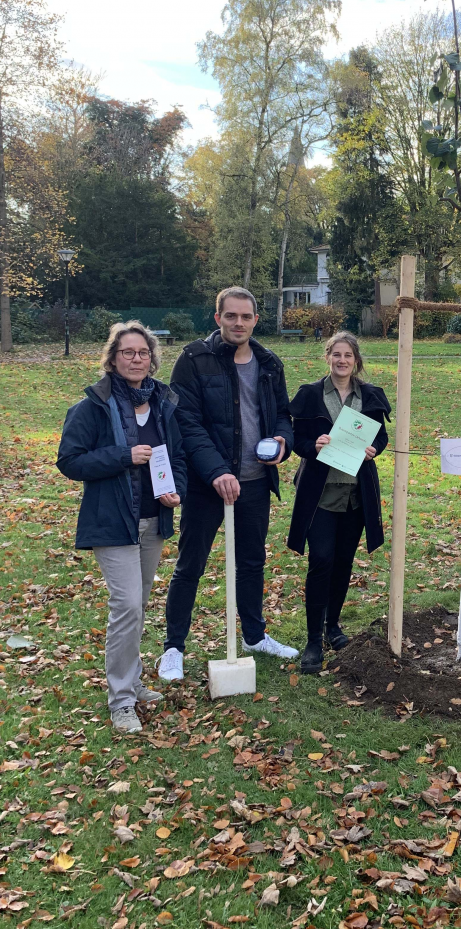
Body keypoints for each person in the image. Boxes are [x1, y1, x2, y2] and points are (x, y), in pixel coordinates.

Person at [158, 287, 296, 681]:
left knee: (251, 563)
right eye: (231, 316)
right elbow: (186, 423)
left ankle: (255, 636)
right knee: (191, 565)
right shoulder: (194, 359)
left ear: (256, 319)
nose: (239, 323)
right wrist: (217, 471)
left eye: (246, 316)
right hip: (208, 485)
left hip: (254, 484)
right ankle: (173, 648)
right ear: (217, 318)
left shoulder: (269, 362)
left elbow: (283, 414)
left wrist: (283, 440)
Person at [57, 322, 187, 733]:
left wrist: (176, 491)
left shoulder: (164, 403)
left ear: (152, 358)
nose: (136, 359)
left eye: (142, 352)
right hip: (112, 522)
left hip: (153, 520)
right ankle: (121, 700)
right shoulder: (93, 405)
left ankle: (131, 681)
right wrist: (122, 456)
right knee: (127, 606)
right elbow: (70, 461)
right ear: (113, 358)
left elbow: (177, 457)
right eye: (127, 352)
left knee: (138, 605)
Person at [287, 331, 391, 674]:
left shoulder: (371, 395)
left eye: (348, 355)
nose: (342, 360)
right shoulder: (310, 395)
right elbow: (297, 440)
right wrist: (311, 445)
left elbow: (381, 435)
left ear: (356, 360)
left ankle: (334, 627)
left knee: (344, 561)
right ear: (327, 357)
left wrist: (376, 448)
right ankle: (313, 640)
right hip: (320, 493)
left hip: (355, 495)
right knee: (321, 560)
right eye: (336, 355)